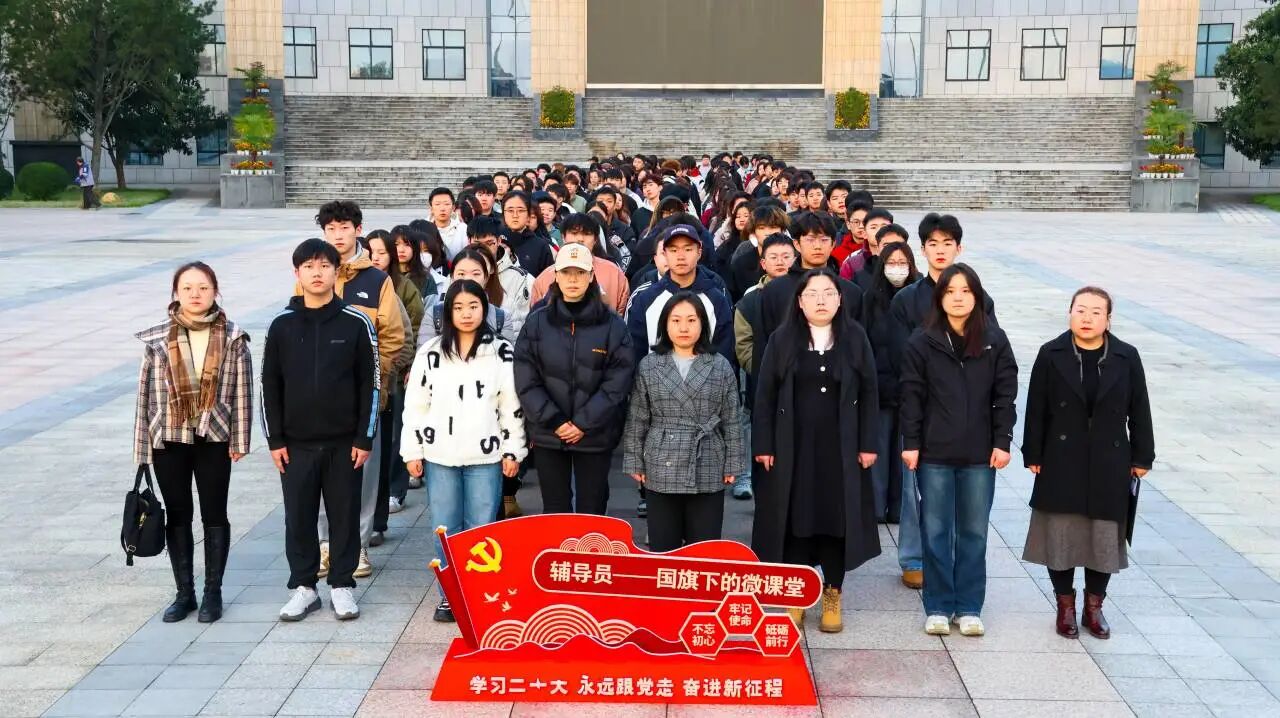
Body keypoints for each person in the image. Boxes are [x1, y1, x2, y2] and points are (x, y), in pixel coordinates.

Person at [1022, 287, 1154, 640]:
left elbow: (1140, 408)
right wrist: (1033, 453)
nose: (1087, 318)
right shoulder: (1051, 353)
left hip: (1110, 459)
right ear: (1070, 313)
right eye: (1080, 310)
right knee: (1060, 533)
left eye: (1096, 312)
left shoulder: (1126, 356)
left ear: (1108, 319)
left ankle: (1094, 607)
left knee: (1103, 536)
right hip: (1061, 457)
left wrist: (1143, 455)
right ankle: (1065, 605)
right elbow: (1036, 407)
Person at [752, 269, 880, 633]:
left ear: (840, 300)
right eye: (812, 294)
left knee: (835, 519)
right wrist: (764, 444)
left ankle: (833, 592)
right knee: (796, 517)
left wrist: (868, 443)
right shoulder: (782, 339)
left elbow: (870, 392)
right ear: (799, 301)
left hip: (841, 448)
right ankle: (796, 592)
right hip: (793, 447)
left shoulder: (855, 338)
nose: (821, 300)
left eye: (828, 293)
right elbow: (764, 395)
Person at [899, 264, 1018, 637]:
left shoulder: (994, 340)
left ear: (977, 297)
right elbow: (911, 396)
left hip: (980, 454)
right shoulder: (922, 341)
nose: (958, 298)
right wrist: (911, 443)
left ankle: (968, 607)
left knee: (973, 532)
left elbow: (1005, 395)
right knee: (935, 530)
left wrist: (1002, 441)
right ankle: (937, 605)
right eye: (951, 291)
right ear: (940, 298)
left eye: (966, 291)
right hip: (934, 453)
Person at [263, 239, 378, 622]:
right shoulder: (281, 325)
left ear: (336, 272)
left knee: (344, 516)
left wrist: (364, 436)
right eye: (309, 267)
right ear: (297, 273)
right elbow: (269, 385)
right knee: (298, 517)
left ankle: (342, 585)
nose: (317, 273)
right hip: (295, 445)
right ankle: (304, 587)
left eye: (324, 266)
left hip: (345, 443)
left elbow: (370, 383)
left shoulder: (355, 322)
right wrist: (275, 439)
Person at [401, 280, 527, 622]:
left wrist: (513, 451)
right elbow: (416, 406)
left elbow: (510, 406)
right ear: (447, 312)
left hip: (486, 456)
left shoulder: (501, 352)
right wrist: (412, 451)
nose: (466, 314)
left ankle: (479, 595)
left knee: (481, 528)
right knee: (445, 527)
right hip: (440, 455)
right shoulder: (430, 353)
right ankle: (450, 596)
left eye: (473, 306)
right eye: (458, 307)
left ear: (484, 309)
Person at [133, 262, 251, 624]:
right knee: (178, 513)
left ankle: (213, 591)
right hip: (168, 438)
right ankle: (185, 593)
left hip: (214, 435)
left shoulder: (232, 336)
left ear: (215, 291)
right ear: (176, 293)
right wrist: (142, 448)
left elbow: (243, 390)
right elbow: (144, 395)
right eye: (187, 288)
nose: (195, 294)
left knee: (215, 513)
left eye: (203, 287)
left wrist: (240, 439)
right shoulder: (157, 338)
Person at [888, 213, 997, 591]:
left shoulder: (978, 298)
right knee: (913, 489)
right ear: (922, 249)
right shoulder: (907, 299)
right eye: (932, 244)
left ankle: (950, 562)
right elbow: (899, 355)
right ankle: (913, 558)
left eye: (947, 244)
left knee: (960, 498)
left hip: (965, 413)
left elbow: (992, 354)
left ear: (959, 248)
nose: (940, 250)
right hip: (922, 409)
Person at [306, 201, 406, 582]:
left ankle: (358, 545)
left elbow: (392, 336)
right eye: (330, 228)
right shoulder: (312, 275)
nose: (338, 235)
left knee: (363, 474)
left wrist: (374, 381)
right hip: (318, 400)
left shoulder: (377, 280)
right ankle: (325, 544)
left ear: (358, 230)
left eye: (344, 227)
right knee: (319, 473)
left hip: (364, 398)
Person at [515, 243, 636, 515]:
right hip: (549, 432)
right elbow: (526, 378)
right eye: (566, 272)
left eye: (580, 272)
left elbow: (618, 381)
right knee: (555, 508)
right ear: (555, 276)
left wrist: (583, 422)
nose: (573, 279)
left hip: (595, 433)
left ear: (591, 276)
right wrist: (555, 421)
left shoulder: (612, 325)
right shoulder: (537, 322)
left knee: (592, 508)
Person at [622, 292, 746, 552]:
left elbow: (732, 419)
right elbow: (638, 417)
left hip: (708, 457)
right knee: (663, 546)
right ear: (665, 325)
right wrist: (634, 460)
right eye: (676, 320)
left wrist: (734, 463)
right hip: (661, 459)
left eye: (691, 320)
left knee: (705, 549)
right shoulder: (649, 365)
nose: (684, 328)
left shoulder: (720, 366)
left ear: (703, 325)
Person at [363, 231, 421, 534]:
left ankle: (385, 505)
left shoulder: (396, 288)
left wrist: (387, 370)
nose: (375, 258)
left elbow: (407, 336)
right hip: (353, 387)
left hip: (390, 379)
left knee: (391, 441)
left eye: (381, 252)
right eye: (370, 251)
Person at [860, 241, 920, 523]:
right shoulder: (870, 300)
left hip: (911, 389)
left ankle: (900, 508)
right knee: (880, 449)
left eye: (902, 263)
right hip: (879, 388)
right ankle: (875, 506)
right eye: (891, 263)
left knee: (904, 452)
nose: (897, 268)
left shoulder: (918, 298)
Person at [758, 212, 864, 360]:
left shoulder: (851, 292)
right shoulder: (774, 290)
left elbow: (859, 348)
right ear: (797, 244)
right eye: (810, 240)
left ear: (833, 244)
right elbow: (763, 344)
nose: (817, 246)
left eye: (824, 240)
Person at [626, 225, 735, 369]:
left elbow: (725, 355)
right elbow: (635, 354)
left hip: (707, 381)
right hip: (655, 381)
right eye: (673, 250)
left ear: (699, 252)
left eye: (688, 249)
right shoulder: (645, 299)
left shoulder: (716, 300)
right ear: (665, 254)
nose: (681, 256)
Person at [529, 212, 631, 315]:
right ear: (563, 237)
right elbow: (537, 315)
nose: (580, 239)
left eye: (587, 234)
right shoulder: (545, 277)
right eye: (574, 233)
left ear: (595, 239)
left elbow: (621, 312)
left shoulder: (614, 273)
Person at [418, 245, 512, 347]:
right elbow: (424, 353)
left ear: (486, 277)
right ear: (452, 277)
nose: (468, 279)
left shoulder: (501, 318)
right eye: (461, 274)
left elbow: (507, 354)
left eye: (476, 274)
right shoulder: (435, 315)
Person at [466, 216, 532, 339]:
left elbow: (522, 326)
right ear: (468, 241)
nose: (484, 250)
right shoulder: (456, 275)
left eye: (489, 243)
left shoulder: (521, 279)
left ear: (499, 241)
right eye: (477, 244)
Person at [499, 191, 555, 276]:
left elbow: (548, 279)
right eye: (510, 210)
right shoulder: (495, 241)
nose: (515, 215)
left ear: (528, 215)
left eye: (521, 210)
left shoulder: (541, 246)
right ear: (503, 213)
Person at [428, 187, 468, 261]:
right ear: (431, 208)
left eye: (446, 204)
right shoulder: (424, 229)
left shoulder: (463, 229)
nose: (442, 208)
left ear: (453, 207)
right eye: (437, 204)